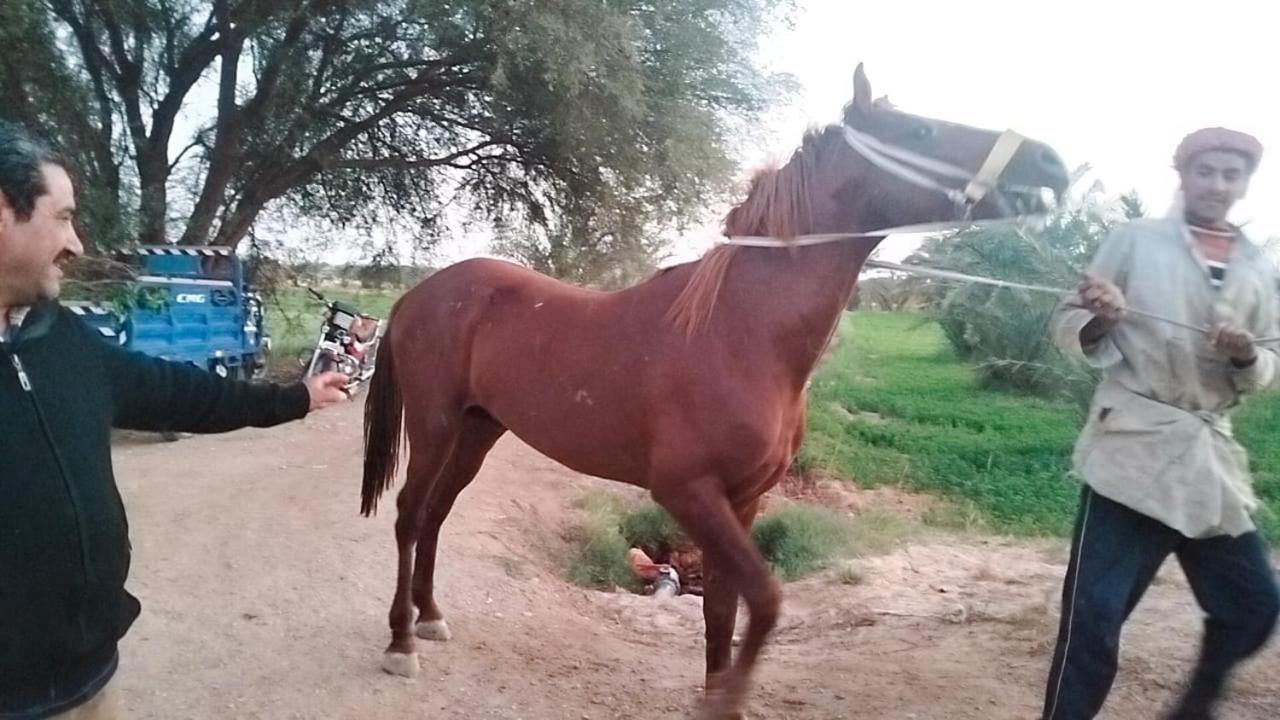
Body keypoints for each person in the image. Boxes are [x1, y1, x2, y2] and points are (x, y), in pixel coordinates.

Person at [0, 121, 350, 719]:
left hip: (90, 679)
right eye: (62, 217)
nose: (77, 244)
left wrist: (293, 398)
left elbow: (178, 393)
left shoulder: (62, 339)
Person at [1041, 127, 1280, 720]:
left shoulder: (1259, 269)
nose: (1218, 184)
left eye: (1231, 174)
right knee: (1092, 621)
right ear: (1184, 175)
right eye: (1206, 171)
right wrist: (1103, 319)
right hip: (1132, 449)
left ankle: (1191, 711)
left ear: (1245, 183)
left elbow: (1268, 364)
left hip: (1206, 461)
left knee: (1252, 604)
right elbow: (1068, 321)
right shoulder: (1135, 240)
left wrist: (1246, 356)